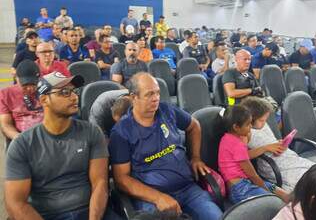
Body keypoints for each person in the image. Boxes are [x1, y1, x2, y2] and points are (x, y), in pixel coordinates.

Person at [5, 71, 124, 220]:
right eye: (65, 92)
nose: (74, 97)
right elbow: (15, 203)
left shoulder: (92, 133)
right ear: (43, 100)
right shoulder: (22, 145)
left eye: (75, 91)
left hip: (91, 210)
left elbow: (100, 183)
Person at [108, 72, 223, 220]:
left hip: (188, 189)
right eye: (149, 94)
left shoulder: (167, 110)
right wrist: (158, 198)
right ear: (133, 97)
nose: (156, 98)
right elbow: (121, 179)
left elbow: (194, 126)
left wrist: (195, 157)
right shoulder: (122, 131)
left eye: (157, 93)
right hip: (151, 197)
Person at [240, 96, 315, 191]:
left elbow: (268, 140)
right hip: (271, 164)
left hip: (284, 156)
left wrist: (279, 143)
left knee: (313, 171)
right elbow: (243, 156)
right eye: (262, 120)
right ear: (250, 119)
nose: (264, 123)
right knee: (307, 181)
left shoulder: (262, 124)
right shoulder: (245, 132)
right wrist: (266, 148)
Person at [218, 105, 289, 204]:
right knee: (276, 202)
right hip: (240, 189)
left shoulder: (227, 138)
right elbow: (253, 175)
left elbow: (244, 157)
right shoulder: (237, 145)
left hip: (246, 183)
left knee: (283, 194)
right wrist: (268, 192)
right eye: (248, 124)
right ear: (236, 127)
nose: (251, 127)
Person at [0, 60, 43, 140]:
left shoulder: (46, 89)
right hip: (20, 137)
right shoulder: (6, 94)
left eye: (33, 84)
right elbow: (6, 124)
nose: (30, 88)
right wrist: (19, 138)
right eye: (25, 85)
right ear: (16, 78)